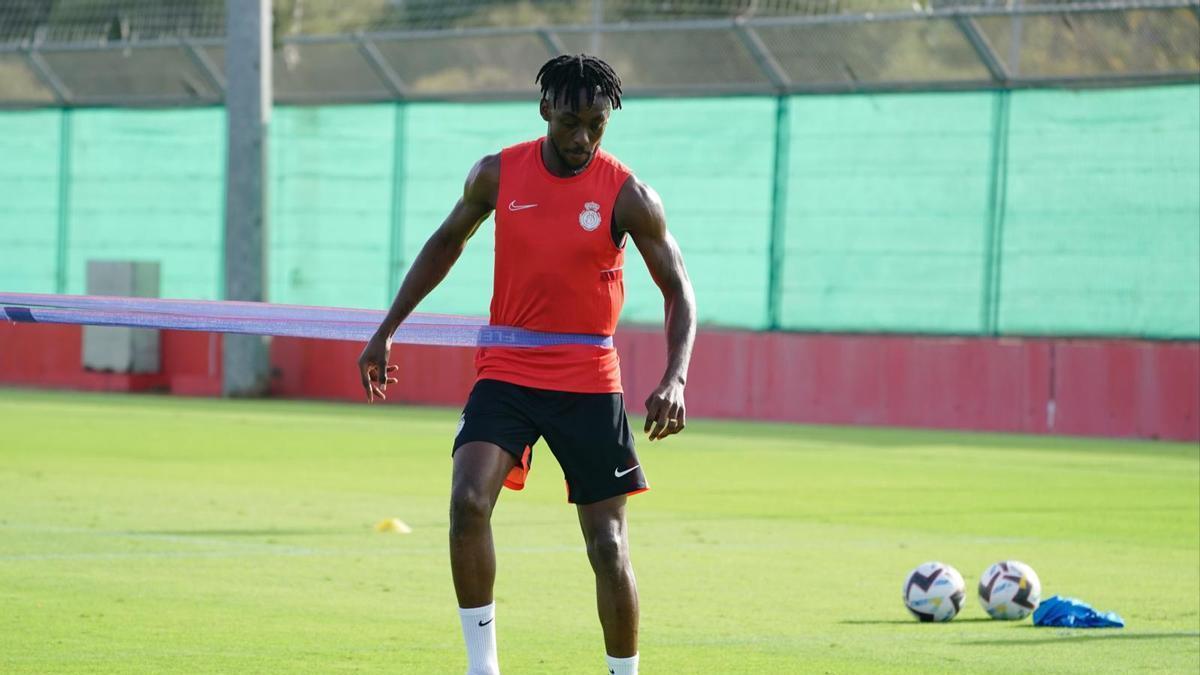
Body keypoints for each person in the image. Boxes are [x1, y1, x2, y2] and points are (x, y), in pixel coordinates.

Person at [357, 54, 696, 675]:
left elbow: (679, 290)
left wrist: (674, 377)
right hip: (507, 372)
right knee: (466, 501)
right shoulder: (497, 174)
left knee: (608, 545)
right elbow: (445, 243)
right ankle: (482, 667)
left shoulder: (628, 195)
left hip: (589, 384)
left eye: (597, 124)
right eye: (571, 121)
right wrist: (386, 330)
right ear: (545, 110)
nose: (583, 138)